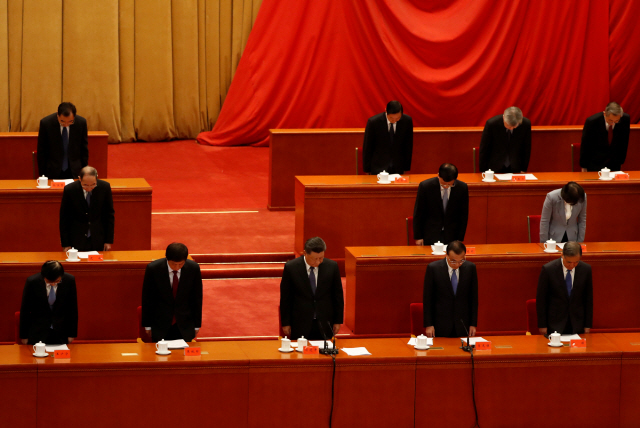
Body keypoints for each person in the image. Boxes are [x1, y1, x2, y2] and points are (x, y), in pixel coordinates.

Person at [280, 237, 344, 340]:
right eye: (315, 258)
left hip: (324, 321)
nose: (318, 261)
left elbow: (337, 295)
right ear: (305, 253)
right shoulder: (291, 268)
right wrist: (286, 323)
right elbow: (286, 298)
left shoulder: (332, 267)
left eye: (321, 258)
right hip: (300, 322)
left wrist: (338, 320)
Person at [141, 243, 203, 342]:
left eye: (181, 264)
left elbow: (197, 298)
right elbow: (147, 298)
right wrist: (147, 325)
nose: (177, 267)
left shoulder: (193, 268)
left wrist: (197, 325)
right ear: (167, 259)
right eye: (174, 264)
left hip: (185, 324)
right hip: (160, 323)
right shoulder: (153, 269)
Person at [423, 241, 478, 338]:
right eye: (453, 261)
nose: (457, 264)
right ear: (446, 255)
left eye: (461, 260)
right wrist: (429, 324)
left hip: (463, 324)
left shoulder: (470, 268)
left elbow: (473, 298)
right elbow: (428, 299)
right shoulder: (433, 268)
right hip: (440, 324)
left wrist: (473, 324)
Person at [536, 242, 593, 336]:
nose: (572, 265)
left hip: (577, 323)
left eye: (576, 262)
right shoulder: (548, 269)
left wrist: (587, 325)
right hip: (554, 324)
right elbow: (541, 300)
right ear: (562, 255)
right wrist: (542, 325)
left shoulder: (585, 269)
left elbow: (588, 299)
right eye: (569, 262)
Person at [19, 261, 78, 345]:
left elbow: (72, 308)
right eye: (50, 282)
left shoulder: (69, 280)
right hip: (37, 332)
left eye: (57, 281)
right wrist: (24, 336)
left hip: (61, 332)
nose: (53, 284)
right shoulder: (32, 282)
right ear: (43, 276)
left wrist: (72, 334)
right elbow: (25, 310)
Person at [59, 166, 114, 252]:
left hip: (98, 238)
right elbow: (64, 218)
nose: (89, 188)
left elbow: (109, 215)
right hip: (76, 239)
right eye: (85, 185)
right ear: (80, 179)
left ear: (96, 178)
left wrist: (108, 241)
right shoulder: (70, 190)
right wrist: (66, 243)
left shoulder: (105, 187)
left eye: (93, 185)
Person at [413, 163, 469, 246]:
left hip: (452, 235)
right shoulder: (426, 186)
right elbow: (418, 212)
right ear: (438, 175)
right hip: (430, 234)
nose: (446, 187)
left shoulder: (462, 188)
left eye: (450, 184)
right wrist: (418, 237)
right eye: (443, 184)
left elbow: (463, 214)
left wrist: (460, 238)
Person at [37, 102, 89, 179]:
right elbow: (41, 150)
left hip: (74, 170)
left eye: (70, 121)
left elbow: (84, 149)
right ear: (57, 115)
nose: (66, 125)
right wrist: (42, 175)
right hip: (52, 170)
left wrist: (84, 172)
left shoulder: (81, 123)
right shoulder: (46, 123)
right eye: (62, 121)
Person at [363, 100, 413, 175]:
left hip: (398, 166)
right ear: (386, 111)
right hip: (378, 167)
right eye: (391, 118)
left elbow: (408, 145)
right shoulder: (373, 122)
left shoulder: (407, 121)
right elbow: (368, 146)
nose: (394, 120)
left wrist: (406, 167)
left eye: (398, 118)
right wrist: (367, 169)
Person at [580, 102, 631, 172]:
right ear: (605, 114)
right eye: (610, 120)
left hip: (614, 163)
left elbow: (624, 142)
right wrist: (584, 166)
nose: (613, 123)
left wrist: (621, 161)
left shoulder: (625, 119)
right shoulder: (592, 121)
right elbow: (586, 145)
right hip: (595, 163)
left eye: (616, 121)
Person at [479, 106, 532, 173]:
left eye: (514, 126)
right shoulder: (492, 124)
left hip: (516, 166)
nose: (511, 128)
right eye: (509, 126)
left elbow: (526, 147)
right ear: (504, 118)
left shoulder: (526, 124)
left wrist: (523, 169)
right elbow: (484, 148)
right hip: (494, 167)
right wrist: (483, 170)